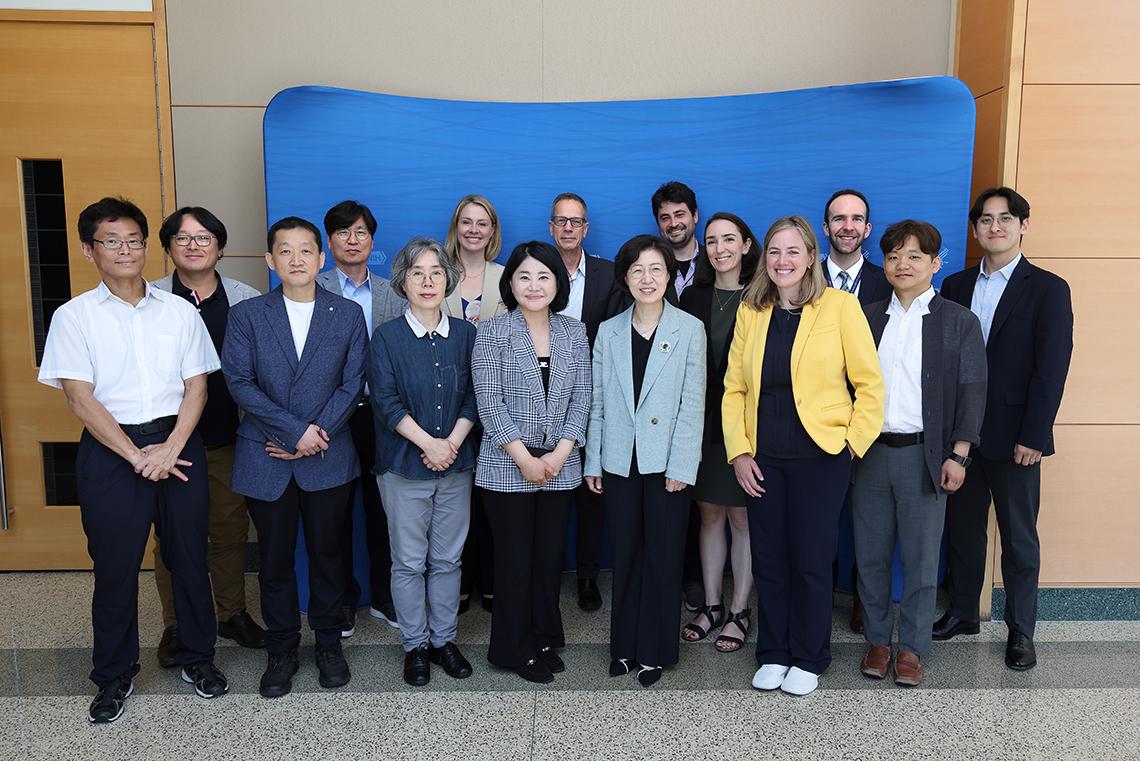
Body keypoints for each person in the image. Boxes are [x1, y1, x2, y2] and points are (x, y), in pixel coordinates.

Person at [39, 197, 228, 723]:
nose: (125, 250)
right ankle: (114, 676)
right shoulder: (73, 316)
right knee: (116, 570)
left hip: (177, 443)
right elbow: (79, 398)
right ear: (88, 249)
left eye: (134, 240)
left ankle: (199, 658)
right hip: (110, 450)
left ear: (147, 246)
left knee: (190, 559)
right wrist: (135, 456)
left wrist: (168, 450)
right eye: (111, 241)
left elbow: (197, 388)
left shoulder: (179, 311)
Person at [723, 215, 883, 696]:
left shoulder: (839, 307)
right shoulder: (752, 311)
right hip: (763, 458)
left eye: (793, 251)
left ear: (812, 256)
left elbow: (870, 386)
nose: (782, 260)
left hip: (822, 456)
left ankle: (810, 657)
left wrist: (851, 444)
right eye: (774, 251)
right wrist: (738, 452)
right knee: (769, 558)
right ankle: (773, 652)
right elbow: (734, 388)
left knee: (812, 559)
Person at [222, 216, 367, 698]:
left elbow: (353, 383)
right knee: (275, 561)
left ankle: (328, 643)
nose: (296, 259)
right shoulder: (248, 315)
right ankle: (281, 647)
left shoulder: (345, 314)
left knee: (328, 556)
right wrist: (292, 431)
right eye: (285, 251)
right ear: (270, 260)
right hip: (266, 457)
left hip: (327, 455)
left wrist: (313, 434)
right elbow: (239, 382)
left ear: (321, 259)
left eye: (306, 250)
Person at [934, 187, 1073, 671]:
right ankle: (963, 612)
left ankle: (1021, 630)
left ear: (1023, 226)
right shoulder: (953, 285)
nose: (995, 227)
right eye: (986, 221)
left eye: (1005, 219)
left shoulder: (1048, 288)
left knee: (1018, 538)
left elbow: (1051, 370)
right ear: (974, 230)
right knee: (963, 530)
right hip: (962, 438)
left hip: (1017, 438)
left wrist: (1034, 435)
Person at [851, 220, 987, 687]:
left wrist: (960, 454)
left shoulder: (958, 321)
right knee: (868, 556)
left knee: (922, 559)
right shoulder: (864, 317)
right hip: (868, 455)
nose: (902, 264)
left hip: (925, 457)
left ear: (935, 263)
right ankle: (877, 641)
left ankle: (911, 648)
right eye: (893, 256)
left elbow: (973, 390)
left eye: (914, 256)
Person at [584, 235, 706, 687]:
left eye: (656, 269)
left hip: (666, 467)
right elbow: (595, 403)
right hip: (618, 463)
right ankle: (624, 647)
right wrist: (592, 462)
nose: (647, 278)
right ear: (625, 277)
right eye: (637, 270)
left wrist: (681, 466)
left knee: (663, 556)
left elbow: (693, 406)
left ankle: (656, 651)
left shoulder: (689, 328)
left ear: (669, 274)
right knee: (627, 555)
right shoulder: (608, 331)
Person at [150, 206, 266, 667]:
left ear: (219, 245)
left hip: (227, 435)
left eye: (204, 238)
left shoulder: (246, 298)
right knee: (173, 538)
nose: (194, 245)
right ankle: (176, 622)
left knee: (230, 530)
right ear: (167, 247)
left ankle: (230, 613)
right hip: (167, 440)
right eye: (183, 238)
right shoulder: (150, 297)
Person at [472, 241, 592, 684]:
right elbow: (490, 401)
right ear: (510, 283)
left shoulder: (573, 331)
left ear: (557, 283)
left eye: (544, 276)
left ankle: (542, 635)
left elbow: (583, 396)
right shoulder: (492, 332)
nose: (534, 285)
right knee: (515, 561)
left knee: (547, 559)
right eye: (524, 276)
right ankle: (510, 648)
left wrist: (561, 452)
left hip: (561, 467)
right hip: (506, 466)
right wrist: (524, 457)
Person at [370, 237, 478, 686]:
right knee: (409, 561)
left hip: (456, 462)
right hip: (402, 465)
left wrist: (449, 443)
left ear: (449, 280)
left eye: (436, 272)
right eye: (417, 273)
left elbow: (477, 394)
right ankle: (414, 645)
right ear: (402, 282)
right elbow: (386, 402)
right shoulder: (387, 336)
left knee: (449, 560)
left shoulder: (468, 334)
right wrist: (428, 445)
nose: (428, 281)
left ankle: (443, 640)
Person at [316, 200, 406, 636]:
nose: (353, 241)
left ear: (373, 240)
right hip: (327, 420)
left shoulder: (394, 292)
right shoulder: (309, 288)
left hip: (381, 417)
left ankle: (385, 595)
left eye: (361, 233)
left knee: (383, 509)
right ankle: (343, 598)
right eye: (343, 233)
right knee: (332, 514)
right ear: (328, 241)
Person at [679, 212, 760, 652]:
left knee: (742, 517)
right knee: (709, 513)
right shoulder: (693, 296)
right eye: (711, 241)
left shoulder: (764, 295)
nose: (720, 248)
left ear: (747, 245)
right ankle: (711, 605)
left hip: (748, 424)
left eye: (729, 239)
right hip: (703, 422)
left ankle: (739, 610)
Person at [820, 187, 892, 634]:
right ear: (825, 227)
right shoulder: (800, 280)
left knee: (870, 524)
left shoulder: (892, 281)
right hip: (814, 424)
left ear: (867, 228)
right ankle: (818, 599)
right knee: (818, 522)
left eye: (856, 219)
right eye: (838, 218)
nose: (848, 226)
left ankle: (866, 600)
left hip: (872, 424)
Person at [548, 192, 624, 612]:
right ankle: (547, 573)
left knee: (592, 494)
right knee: (551, 491)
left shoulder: (609, 274)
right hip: (544, 400)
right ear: (551, 227)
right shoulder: (536, 270)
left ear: (586, 229)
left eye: (575, 222)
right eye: (560, 221)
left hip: (597, 398)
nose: (568, 228)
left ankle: (589, 576)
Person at [442, 194, 507, 615]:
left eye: (482, 223)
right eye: (466, 222)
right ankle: (461, 583)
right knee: (455, 500)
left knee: (493, 503)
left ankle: (493, 583)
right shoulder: (436, 273)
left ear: (492, 230)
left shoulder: (508, 277)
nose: (473, 229)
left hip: (499, 402)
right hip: (448, 406)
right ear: (456, 227)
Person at [652, 181, 703, 303]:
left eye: (679, 215)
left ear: (695, 215)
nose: (673, 223)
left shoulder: (716, 262)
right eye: (665, 218)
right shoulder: (649, 268)